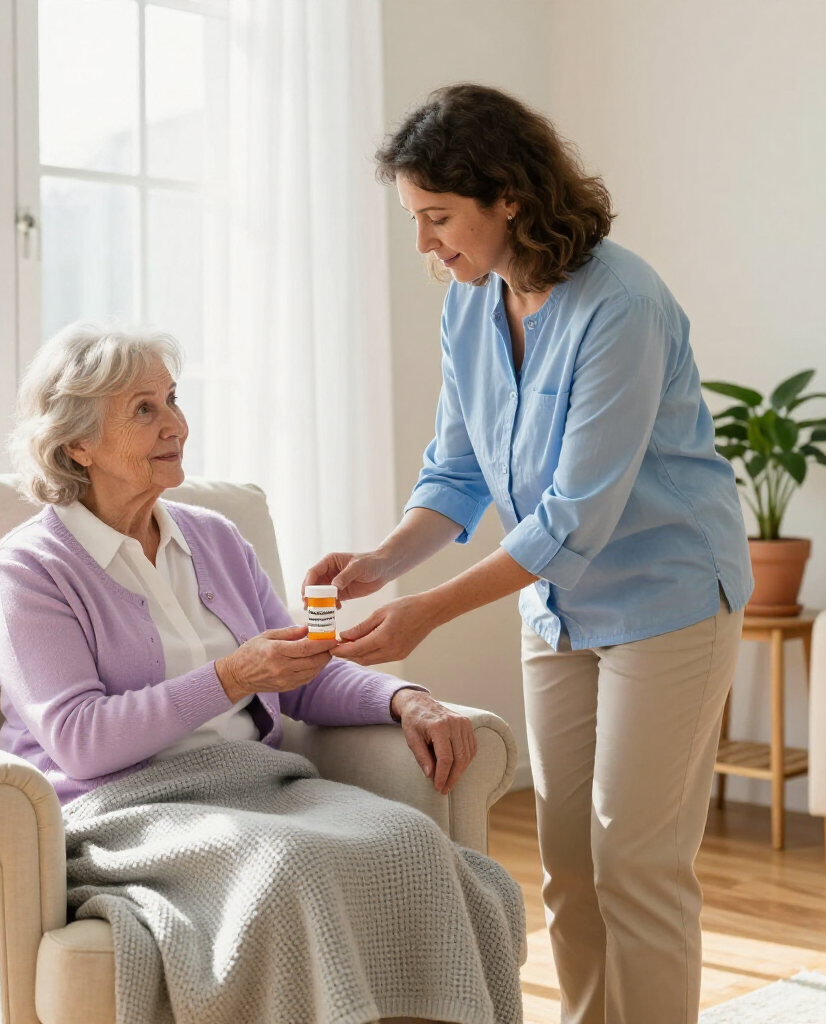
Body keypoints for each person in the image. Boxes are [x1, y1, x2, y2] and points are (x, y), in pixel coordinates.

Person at [306, 85, 753, 1024]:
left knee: (635, 859)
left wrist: (425, 612)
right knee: (567, 863)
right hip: (556, 608)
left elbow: (572, 519)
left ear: (506, 196)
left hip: (666, 598)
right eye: (415, 220)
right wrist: (382, 564)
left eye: (438, 218)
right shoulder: (471, 307)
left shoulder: (620, 304)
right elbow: (458, 470)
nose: (426, 245)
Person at [0, 320, 524, 1024]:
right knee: (288, 868)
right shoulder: (31, 568)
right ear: (76, 442)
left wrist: (404, 700)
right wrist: (232, 676)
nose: (175, 423)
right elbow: (81, 741)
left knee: (412, 842)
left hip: (254, 784)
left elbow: (298, 676)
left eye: (172, 398)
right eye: (143, 409)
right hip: (121, 805)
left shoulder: (213, 538)